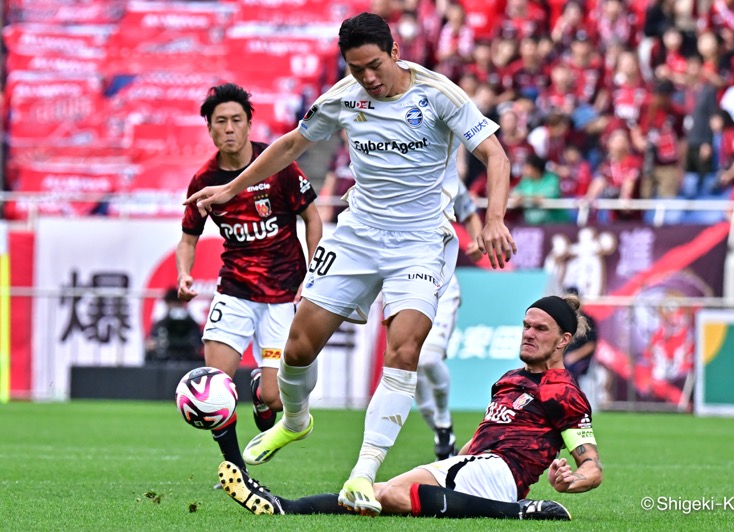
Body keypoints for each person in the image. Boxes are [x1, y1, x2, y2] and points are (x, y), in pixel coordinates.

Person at [184, 12, 516, 516]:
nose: (368, 78)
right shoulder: (344, 96)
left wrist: (493, 219)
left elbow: (495, 155)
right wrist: (232, 188)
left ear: (395, 51)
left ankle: (364, 471)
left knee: (404, 348)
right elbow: (294, 143)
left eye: (375, 66)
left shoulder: (438, 95)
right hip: (359, 234)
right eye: (357, 68)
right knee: (297, 348)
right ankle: (295, 422)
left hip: (420, 241)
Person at [215, 293, 602, 521]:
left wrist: (573, 481)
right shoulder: (510, 379)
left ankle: (519, 512)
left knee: (391, 497)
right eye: (526, 325)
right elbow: (484, 438)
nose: (528, 334)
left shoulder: (562, 390)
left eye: (541, 329)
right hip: (474, 464)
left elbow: (591, 467)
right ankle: (286, 508)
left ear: (564, 340)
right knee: (372, 493)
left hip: (502, 474)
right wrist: (455, 458)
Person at [177, 83, 323, 477]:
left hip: (281, 296)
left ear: (248, 124)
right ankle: (234, 470)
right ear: (208, 128)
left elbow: (312, 218)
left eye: (236, 120)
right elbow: (188, 238)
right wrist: (184, 274)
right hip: (235, 292)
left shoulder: (276, 164)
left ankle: (261, 394)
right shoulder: (203, 179)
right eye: (220, 121)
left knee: (275, 398)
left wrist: (312, 273)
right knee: (213, 388)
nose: (229, 128)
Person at [416, 180, 483, 461]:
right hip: (401, 285)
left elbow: (469, 211)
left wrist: (479, 238)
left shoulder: (447, 177)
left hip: (441, 286)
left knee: (427, 360)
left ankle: (443, 422)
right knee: (407, 370)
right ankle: (442, 432)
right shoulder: (388, 168)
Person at [144, 287, 203, 364]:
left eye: (177, 303)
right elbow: (151, 342)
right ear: (167, 304)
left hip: (188, 359)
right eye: (171, 303)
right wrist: (154, 344)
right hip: (165, 360)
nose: (174, 306)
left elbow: (198, 344)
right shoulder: (161, 324)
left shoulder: (191, 323)